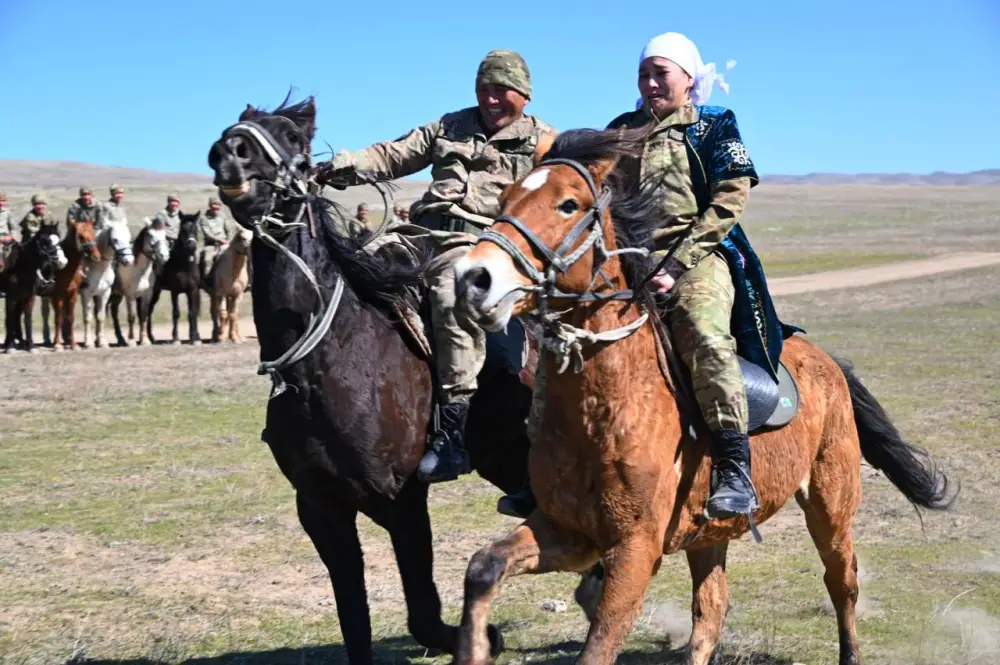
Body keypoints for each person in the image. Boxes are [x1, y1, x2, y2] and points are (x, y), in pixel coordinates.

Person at [499, 32, 781, 520]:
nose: (650, 83)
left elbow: (730, 197)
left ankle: (733, 465)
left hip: (696, 258)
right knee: (561, 338)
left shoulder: (713, 126)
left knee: (704, 335)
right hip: (627, 261)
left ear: (689, 79)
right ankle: (539, 470)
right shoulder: (622, 130)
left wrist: (676, 263)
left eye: (661, 73)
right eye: (644, 74)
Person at [316, 49, 556, 484]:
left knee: (450, 291)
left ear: (524, 94)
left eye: (501, 91)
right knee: (348, 270)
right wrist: (341, 166)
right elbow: (393, 155)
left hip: (480, 244)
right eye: (484, 90)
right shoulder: (448, 127)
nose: (491, 100)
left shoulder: (543, 143)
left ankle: (454, 427)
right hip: (419, 237)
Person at [199, 195, 236, 289]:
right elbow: (207, 233)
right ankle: (208, 281)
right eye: (214, 204)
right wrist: (220, 240)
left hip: (225, 243)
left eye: (218, 205)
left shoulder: (223, 216)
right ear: (210, 205)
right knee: (207, 260)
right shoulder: (204, 218)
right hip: (211, 245)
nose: (216, 207)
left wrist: (228, 240)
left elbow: (229, 230)